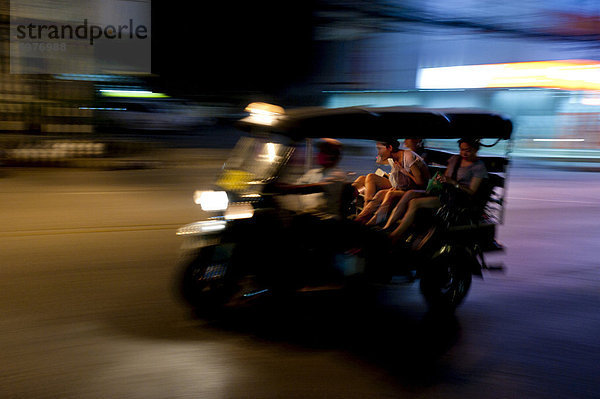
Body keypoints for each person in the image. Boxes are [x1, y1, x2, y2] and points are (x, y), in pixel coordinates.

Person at [388, 138, 488, 242]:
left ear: (475, 150)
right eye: (462, 150)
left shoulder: (478, 166)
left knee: (414, 203)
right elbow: (446, 177)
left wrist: (454, 183)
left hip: (456, 198)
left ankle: (395, 235)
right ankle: (388, 226)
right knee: (410, 194)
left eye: (467, 150)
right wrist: (439, 180)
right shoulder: (455, 159)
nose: (464, 153)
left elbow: (471, 192)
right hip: (443, 191)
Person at [354, 139, 429, 225]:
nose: (378, 153)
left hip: (416, 189)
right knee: (370, 177)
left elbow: (420, 183)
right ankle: (363, 215)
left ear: (389, 147)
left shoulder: (408, 157)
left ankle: (368, 221)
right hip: (403, 185)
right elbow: (398, 178)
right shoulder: (392, 158)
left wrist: (405, 172)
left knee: (383, 194)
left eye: (379, 149)